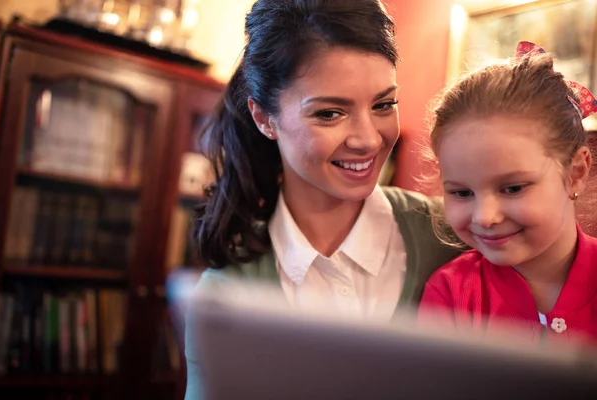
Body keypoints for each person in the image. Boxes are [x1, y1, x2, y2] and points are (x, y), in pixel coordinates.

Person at [184, 0, 462, 397]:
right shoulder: (226, 292)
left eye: (384, 105)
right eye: (330, 114)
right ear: (265, 118)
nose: (368, 139)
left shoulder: (454, 236)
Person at [419, 41, 597, 345]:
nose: (485, 217)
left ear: (576, 172)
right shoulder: (450, 293)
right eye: (462, 193)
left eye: (513, 188)